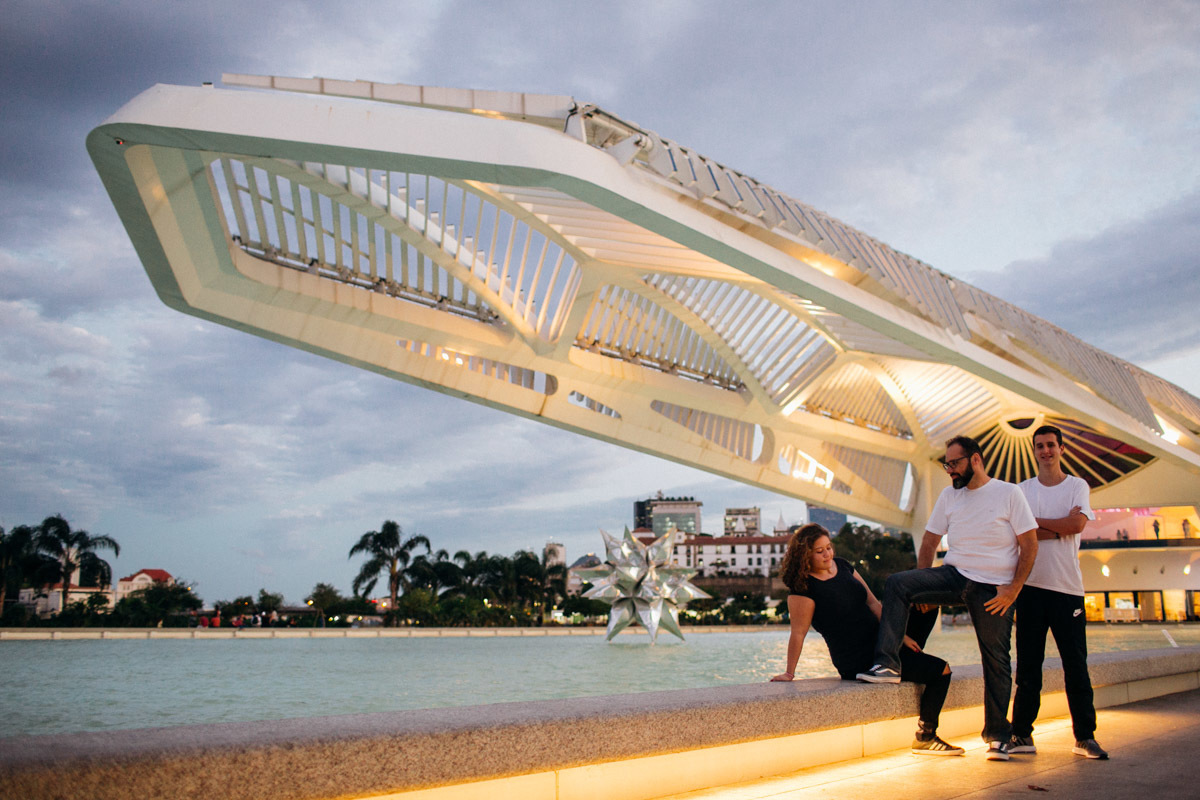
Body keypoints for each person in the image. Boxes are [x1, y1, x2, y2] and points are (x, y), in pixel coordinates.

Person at [856, 435, 1038, 761]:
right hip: (954, 576)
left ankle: (997, 736)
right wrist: (923, 590)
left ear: (976, 460)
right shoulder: (948, 496)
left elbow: (1030, 544)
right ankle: (888, 664)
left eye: (954, 463)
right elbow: (928, 543)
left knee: (996, 660)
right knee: (899, 583)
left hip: (993, 588)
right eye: (947, 465)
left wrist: (1013, 589)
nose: (950, 470)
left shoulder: (1009, 493)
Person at [770, 524, 963, 756]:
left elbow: (873, 604)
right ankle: (926, 736)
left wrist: (901, 637)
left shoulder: (842, 566)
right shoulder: (803, 589)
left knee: (926, 604)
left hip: (883, 641)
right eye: (819, 551)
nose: (827, 554)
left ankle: (902, 657)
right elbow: (798, 633)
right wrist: (789, 672)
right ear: (805, 555)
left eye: (829, 547)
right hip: (858, 657)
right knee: (941, 670)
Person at [1010, 424, 1108, 760]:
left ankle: (1085, 737)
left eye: (1051, 445)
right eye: (1040, 446)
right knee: (1027, 669)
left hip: (1067, 590)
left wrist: (1036, 525)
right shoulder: (1022, 490)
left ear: (1062, 448)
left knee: (1076, 666)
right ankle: (1021, 734)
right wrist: (1056, 526)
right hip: (1031, 589)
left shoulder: (1077, 486)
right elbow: (1019, 535)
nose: (1046, 451)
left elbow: (1077, 526)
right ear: (1034, 451)